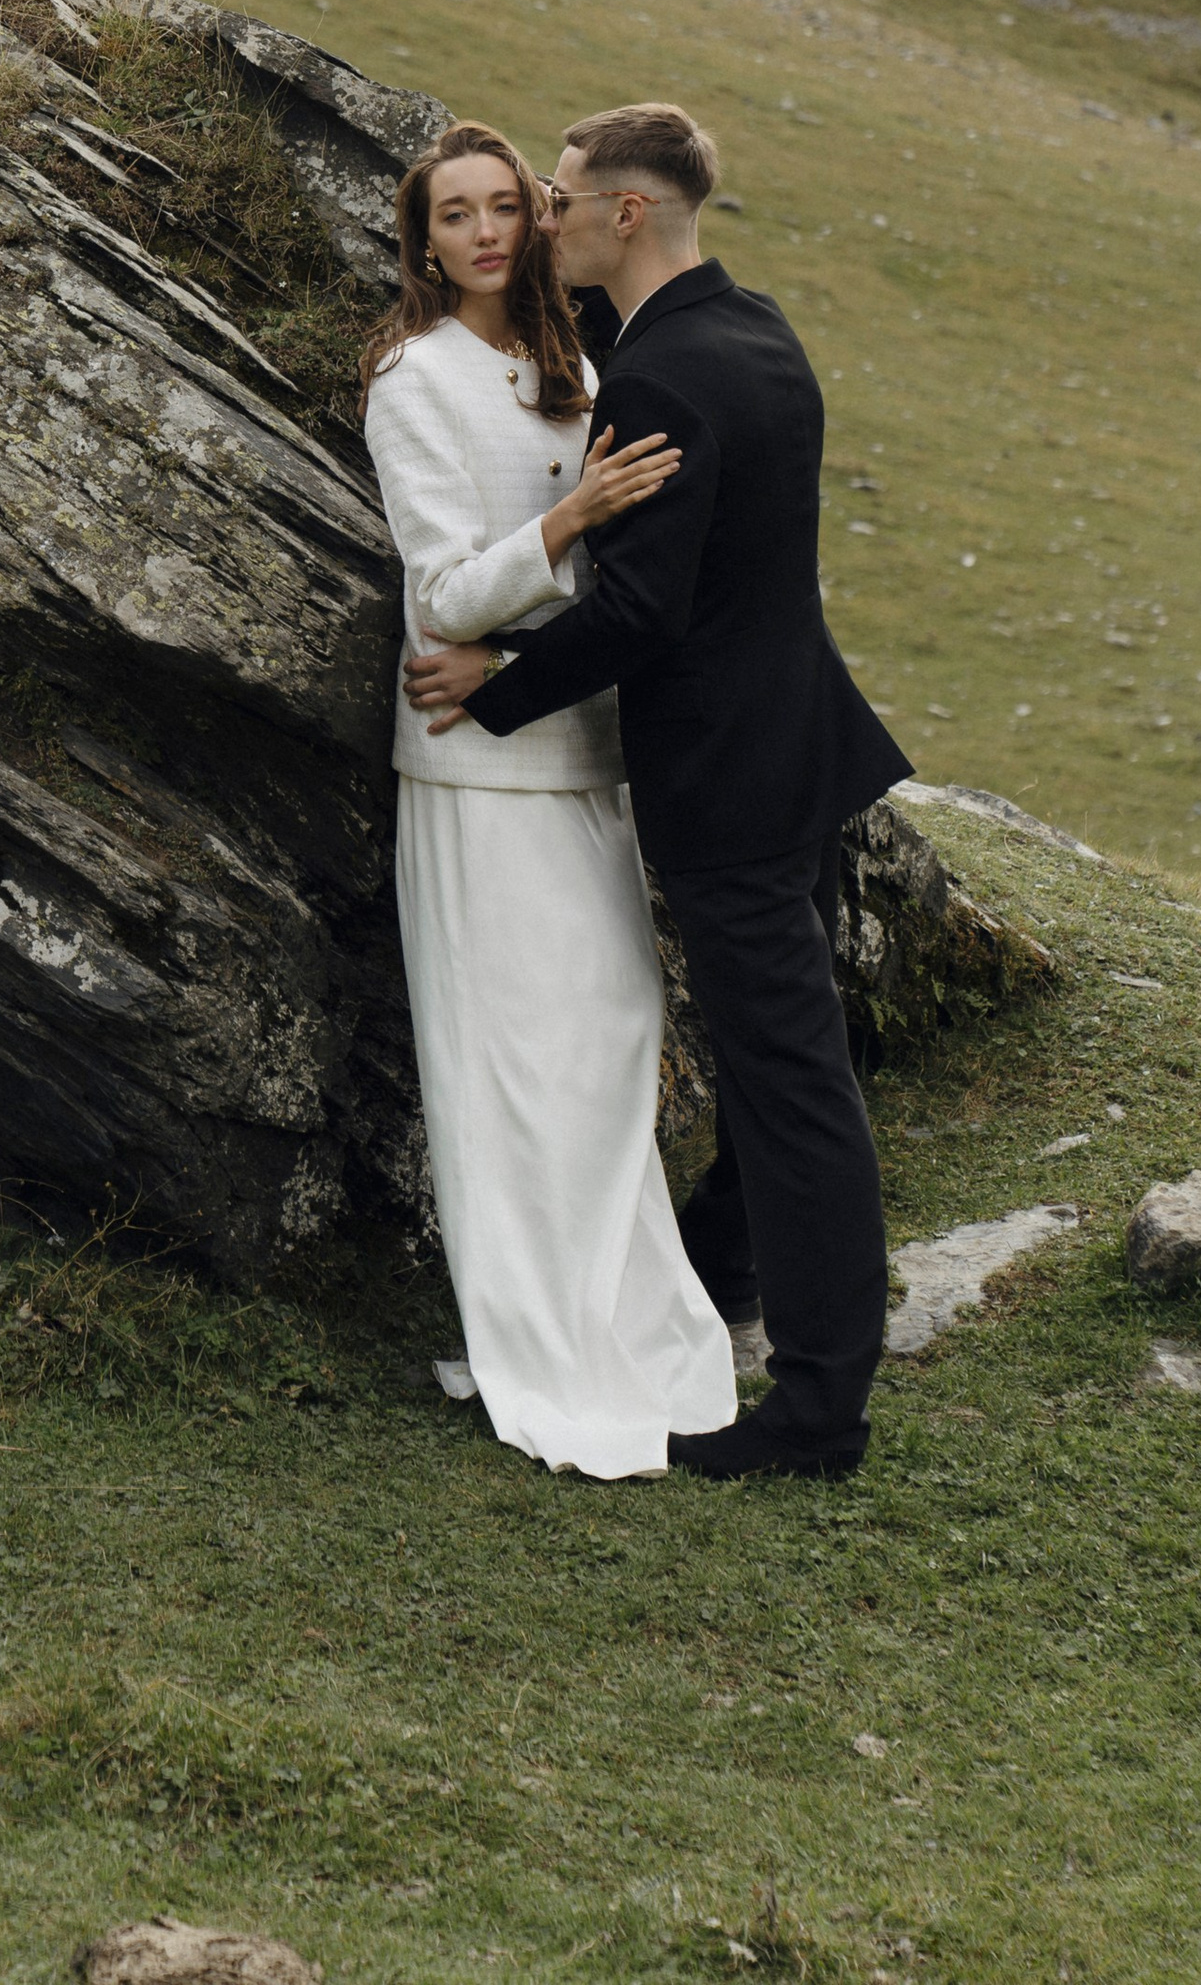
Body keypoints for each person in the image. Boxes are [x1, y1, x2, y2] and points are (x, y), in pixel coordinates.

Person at [404, 102, 911, 1482]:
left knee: (789, 1087)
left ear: (627, 213)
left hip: (731, 787)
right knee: (800, 1074)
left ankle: (818, 1412)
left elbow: (641, 617)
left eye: (559, 200)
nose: (539, 219)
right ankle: (728, 1272)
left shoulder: (662, 382)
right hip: (808, 749)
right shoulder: (757, 334)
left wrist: (487, 690)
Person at [360, 122, 740, 1479]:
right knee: (512, 1068)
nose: (481, 232)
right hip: (475, 767)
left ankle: (621, 1325)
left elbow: (622, 598)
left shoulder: (582, 367)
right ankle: (535, 1340)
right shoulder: (413, 378)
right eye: (450, 215)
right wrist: (569, 520)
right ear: (423, 243)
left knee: (611, 1035)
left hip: (588, 751)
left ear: (536, 219)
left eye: (501, 207)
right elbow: (443, 598)